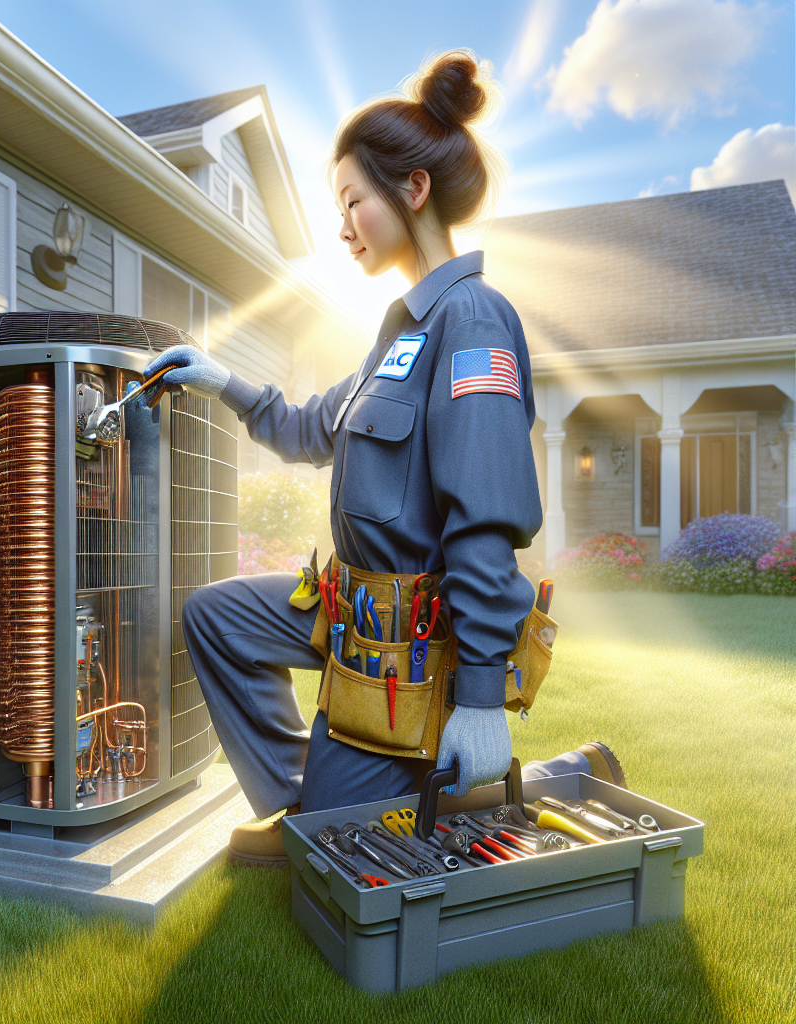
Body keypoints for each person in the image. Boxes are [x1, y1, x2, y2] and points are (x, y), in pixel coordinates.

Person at [144, 51, 620, 867]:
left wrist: (478, 700)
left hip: (420, 642)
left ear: (414, 191)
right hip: (353, 611)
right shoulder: (395, 333)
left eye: (352, 200)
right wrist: (219, 378)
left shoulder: (472, 320)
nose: (341, 226)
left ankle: (561, 776)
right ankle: (309, 800)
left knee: (341, 854)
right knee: (216, 617)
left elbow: (483, 522)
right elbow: (304, 428)